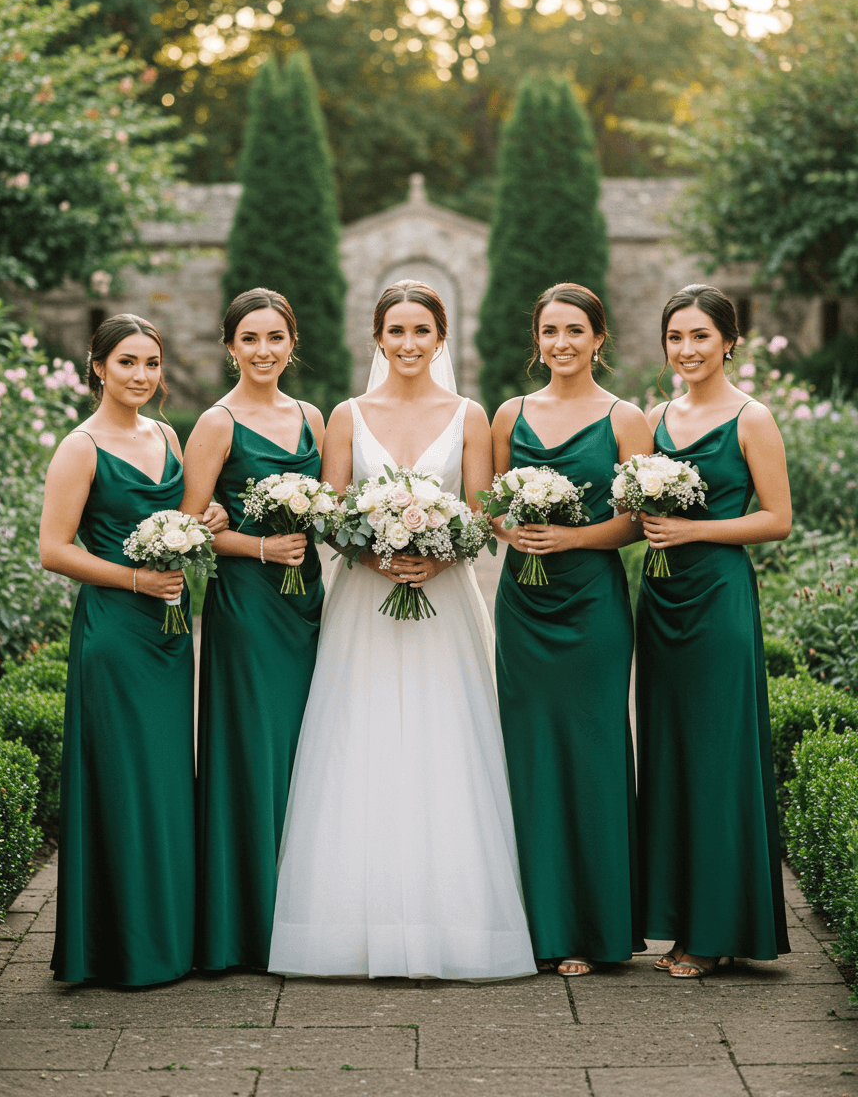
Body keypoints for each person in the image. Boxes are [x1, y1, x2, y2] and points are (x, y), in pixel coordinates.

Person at [268, 280, 536, 980]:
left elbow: (480, 515)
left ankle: (454, 921)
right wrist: (375, 554)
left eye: (422, 331)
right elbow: (327, 514)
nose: (409, 343)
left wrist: (439, 550)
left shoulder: (470, 414)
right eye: (397, 331)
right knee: (359, 743)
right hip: (364, 603)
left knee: (445, 744)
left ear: (441, 339)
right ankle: (348, 926)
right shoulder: (347, 415)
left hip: (444, 603)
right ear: (377, 341)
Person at [39, 314, 225, 985]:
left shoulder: (168, 435)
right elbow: (53, 549)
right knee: (124, 783)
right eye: (126, 363)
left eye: (150, 363)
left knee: (167, 781)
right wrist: (136, 578)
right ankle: (121, 951)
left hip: (171, 634)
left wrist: (210, 522)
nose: (140, 375)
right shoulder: (81, 447)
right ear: (98, 368)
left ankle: (169, 940)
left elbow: (183, 513)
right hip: (116, 631)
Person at [490, 283, 652, 976]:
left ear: (599, 339)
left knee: (593, 753)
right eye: (549, 331)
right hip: (523, 608)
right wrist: (515, 528)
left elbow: (639, 520)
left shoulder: (627, 418)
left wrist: (574, 538)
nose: (561, 343)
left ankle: (597, 926)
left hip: (591, 606)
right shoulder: (510, 413)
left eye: (575, 331)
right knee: (527, 758)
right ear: (538, 340)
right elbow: (489, 503)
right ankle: (539, 924)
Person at [637, 283, 792, 978]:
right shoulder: (653, 418)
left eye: (701, 336)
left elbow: (776, 518)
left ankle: (716, 928)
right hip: (660, 599)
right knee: (669, 757)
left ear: (730, 341)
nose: (687, 349)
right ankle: (674, 918)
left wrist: (696, 530)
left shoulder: (751, 418)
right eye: (676, 337)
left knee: (717, 757)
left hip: (718, 600)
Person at [181, 288, 325, 973]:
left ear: (292, 343)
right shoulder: (216, 423)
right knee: (251, 751)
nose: (264, 351)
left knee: (308, 749)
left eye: (275, 338)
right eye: (250, 340)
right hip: (246, 606)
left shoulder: (312, 418)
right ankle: (244, 923)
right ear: (230, 346)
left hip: (306, 605)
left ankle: (304, 910)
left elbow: (331, 509)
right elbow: (187, 530)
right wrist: (257, 547)